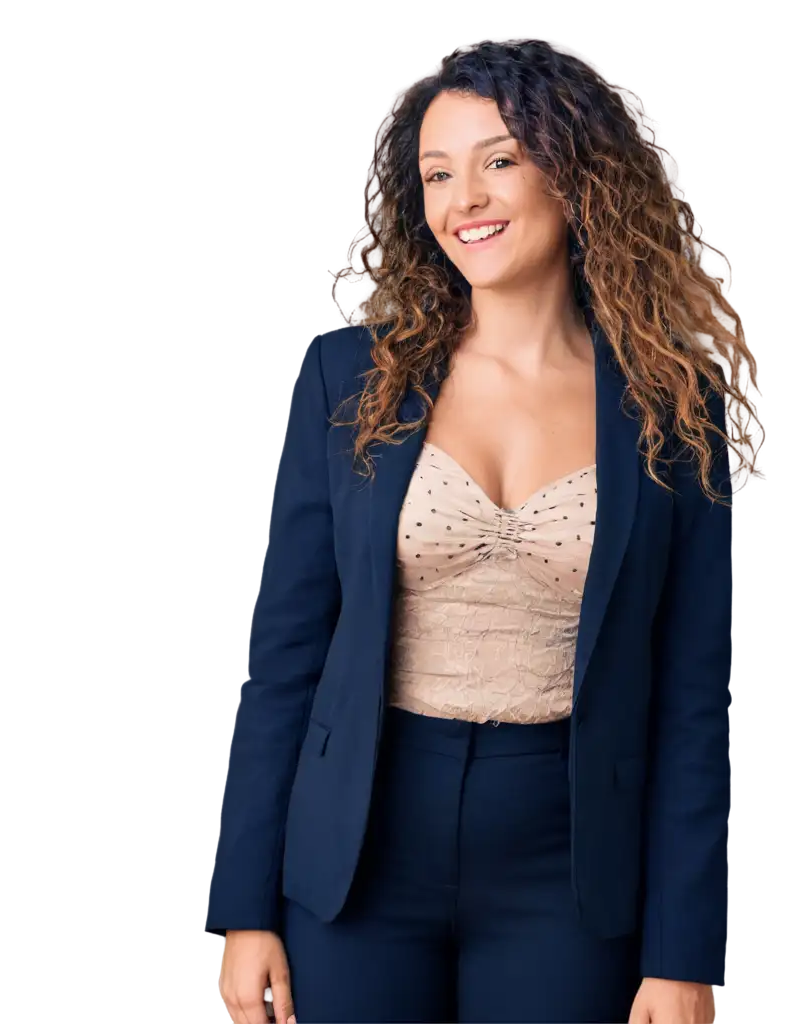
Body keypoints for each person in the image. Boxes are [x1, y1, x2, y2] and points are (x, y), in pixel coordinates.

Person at [200, 38, 754, 1024]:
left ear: (576, 177)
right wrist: (243, 910)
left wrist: (684, 951)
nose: (465, 199)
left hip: (572, 863)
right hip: (355, 854)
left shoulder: (674, 404)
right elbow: (282, 658)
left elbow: (694, 698)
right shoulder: (347, 382)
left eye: (499, 159)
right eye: (437, 173)